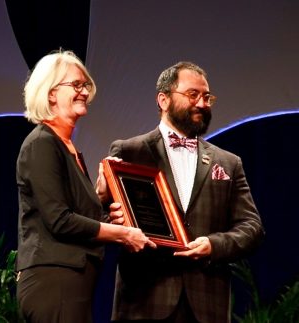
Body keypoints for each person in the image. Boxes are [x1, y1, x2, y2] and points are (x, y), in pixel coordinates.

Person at [106, 61, 265, 323]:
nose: (202, 103)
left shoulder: (228, 163)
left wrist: (213, 244)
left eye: (206, 97)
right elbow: (100, 219)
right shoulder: (129, 152)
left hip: (205, 305)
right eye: (193, 95)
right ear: (163, 100)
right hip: (144, 303)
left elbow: (252, 228)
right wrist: (114, 220)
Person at [15, 50, 156, 323]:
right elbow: (60, 221)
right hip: (53, 279)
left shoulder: (68, 149)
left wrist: (101, 199)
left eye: (85, 85)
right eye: (75, 85)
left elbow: (74, 215)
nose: (83, 92)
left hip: (72, 280)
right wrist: (122, 234)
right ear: (51, 93)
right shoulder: (42, 144)